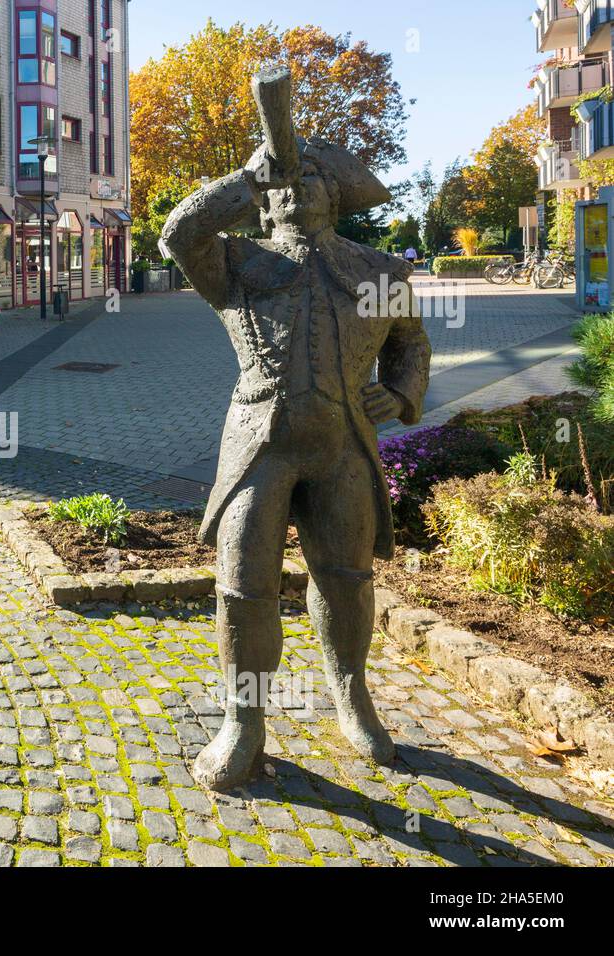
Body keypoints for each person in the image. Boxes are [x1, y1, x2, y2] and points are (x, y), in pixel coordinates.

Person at [158, 68, 431, 790]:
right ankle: (244, 723)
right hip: (259, 447)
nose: (293, 188)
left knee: (347, 580)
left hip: (343, 445)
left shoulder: (377, 269)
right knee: (243, 586)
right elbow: (178, 231)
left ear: (335, 193)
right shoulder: (238, 265)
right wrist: (245, 178)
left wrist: (401, 393)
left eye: (309, 177)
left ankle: (352, 697)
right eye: (280, 181)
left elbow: (411, 343)